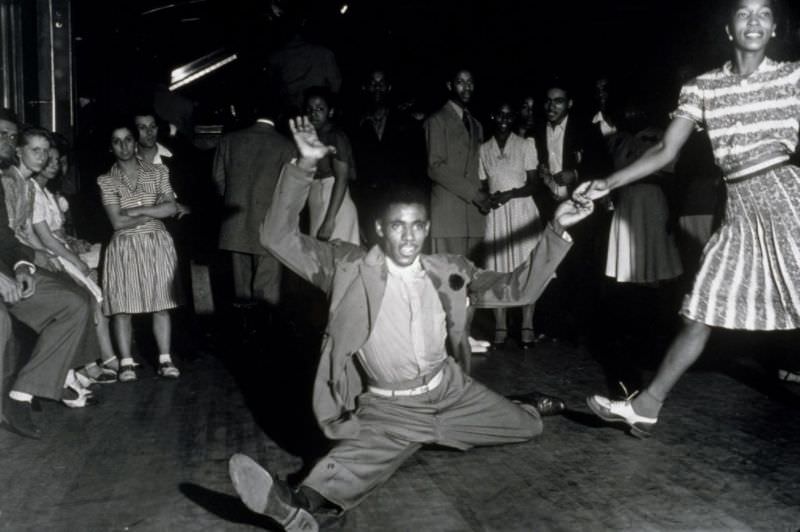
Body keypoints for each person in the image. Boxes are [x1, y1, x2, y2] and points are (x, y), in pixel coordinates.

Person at [226, 116, 593, 531]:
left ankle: (522, 403)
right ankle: (297, 505)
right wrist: (304, 165)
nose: (408, 237)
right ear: (380, 229)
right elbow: (276, 237)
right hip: (390, 409)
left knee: (529, 427)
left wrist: (556, 230)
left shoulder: (449, 271)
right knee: (346, 466)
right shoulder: (346, 267)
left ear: (427, 228)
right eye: (397, 226)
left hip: (451, 392)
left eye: (417, 225)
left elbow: (516, 288)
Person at [579, 0, 800, 437]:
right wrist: (609, 182)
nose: (753, 21)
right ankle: (646, 405)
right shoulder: (702, 88)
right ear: (727, 27)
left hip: (788, 203)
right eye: (743, 12)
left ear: (774, 28)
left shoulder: (793, 77)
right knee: (701, 306)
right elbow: (664, 151)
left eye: (763, 13)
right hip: (738, 210)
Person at [0, 110, 101, 439]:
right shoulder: (9, 181)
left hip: (12, 268)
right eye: (35, 150)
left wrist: (24, 264)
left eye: (46, 151)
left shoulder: (21, 184)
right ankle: (59, 380)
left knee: (78, 302)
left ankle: (28, 392)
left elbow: (9, 238)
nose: (43, 157)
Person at [98, 122, 182, 382]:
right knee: (122, 308)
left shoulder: (158, 171)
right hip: (123, 247)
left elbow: (172, 207)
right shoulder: (106, 180)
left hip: (157, 243)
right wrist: (152, 210)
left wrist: (135, 211)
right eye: (116, 141)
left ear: (135, 143)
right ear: (110, 147)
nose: (123, 146)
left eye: (127, 140)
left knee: (161, 304)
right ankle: (126, 363)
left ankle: (165, 360)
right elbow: (116, 223)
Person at [30, 140, 118, 383]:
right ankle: (93, 362)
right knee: (89, 298)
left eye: (57, 161)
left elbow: (56, 232)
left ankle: (102, 357)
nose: (53, 165)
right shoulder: (32, 191)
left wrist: (72, 243)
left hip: (62, 250)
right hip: (51, 255)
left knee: (99, 293)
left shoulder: (47, 192)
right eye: (48, 159)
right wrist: (76, 262)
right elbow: (45, 237)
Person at [424, 68, 492, 362]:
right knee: (447, 281)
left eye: (470, 81)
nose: (466, 87)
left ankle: (463, 333)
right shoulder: (436, 121)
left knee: (471, 280)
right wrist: (475, 193)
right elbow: (435, 167)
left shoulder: (476, 124)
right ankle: (442, 340)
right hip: (449, 212)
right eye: (460, 81)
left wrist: (488, 195)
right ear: (450, 84)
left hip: (474, 215)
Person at [213, 101, 296, 306]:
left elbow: (217, 178)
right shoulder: (287, 146)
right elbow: (290, 191)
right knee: (266, 294)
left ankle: (243, 334)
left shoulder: (229, 140)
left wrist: (234, 198)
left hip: (235, 225)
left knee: (241, 295)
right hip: (269, 227)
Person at [478, 100, 544, 348]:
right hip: (496, 216)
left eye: (509, 115)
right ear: (493, 117)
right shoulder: (483, 149)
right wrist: (490, 198)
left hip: (522, 211)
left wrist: (511, 194)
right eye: (500, 114)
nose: (504, 119)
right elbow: (483, 184)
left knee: (527, 269)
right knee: (498, 270)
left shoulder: (526, 144)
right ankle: (500, 325)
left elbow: (534, 184)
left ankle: (527, 323)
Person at [303, 87, 360, 245]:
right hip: (317, 200)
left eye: (320, 108)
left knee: (339, 263)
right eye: (310, 109)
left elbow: (342, 179)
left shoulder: (335, 136)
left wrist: (330, 220)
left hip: (333, 205)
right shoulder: (310, 137)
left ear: (331, 111)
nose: (314, 113)